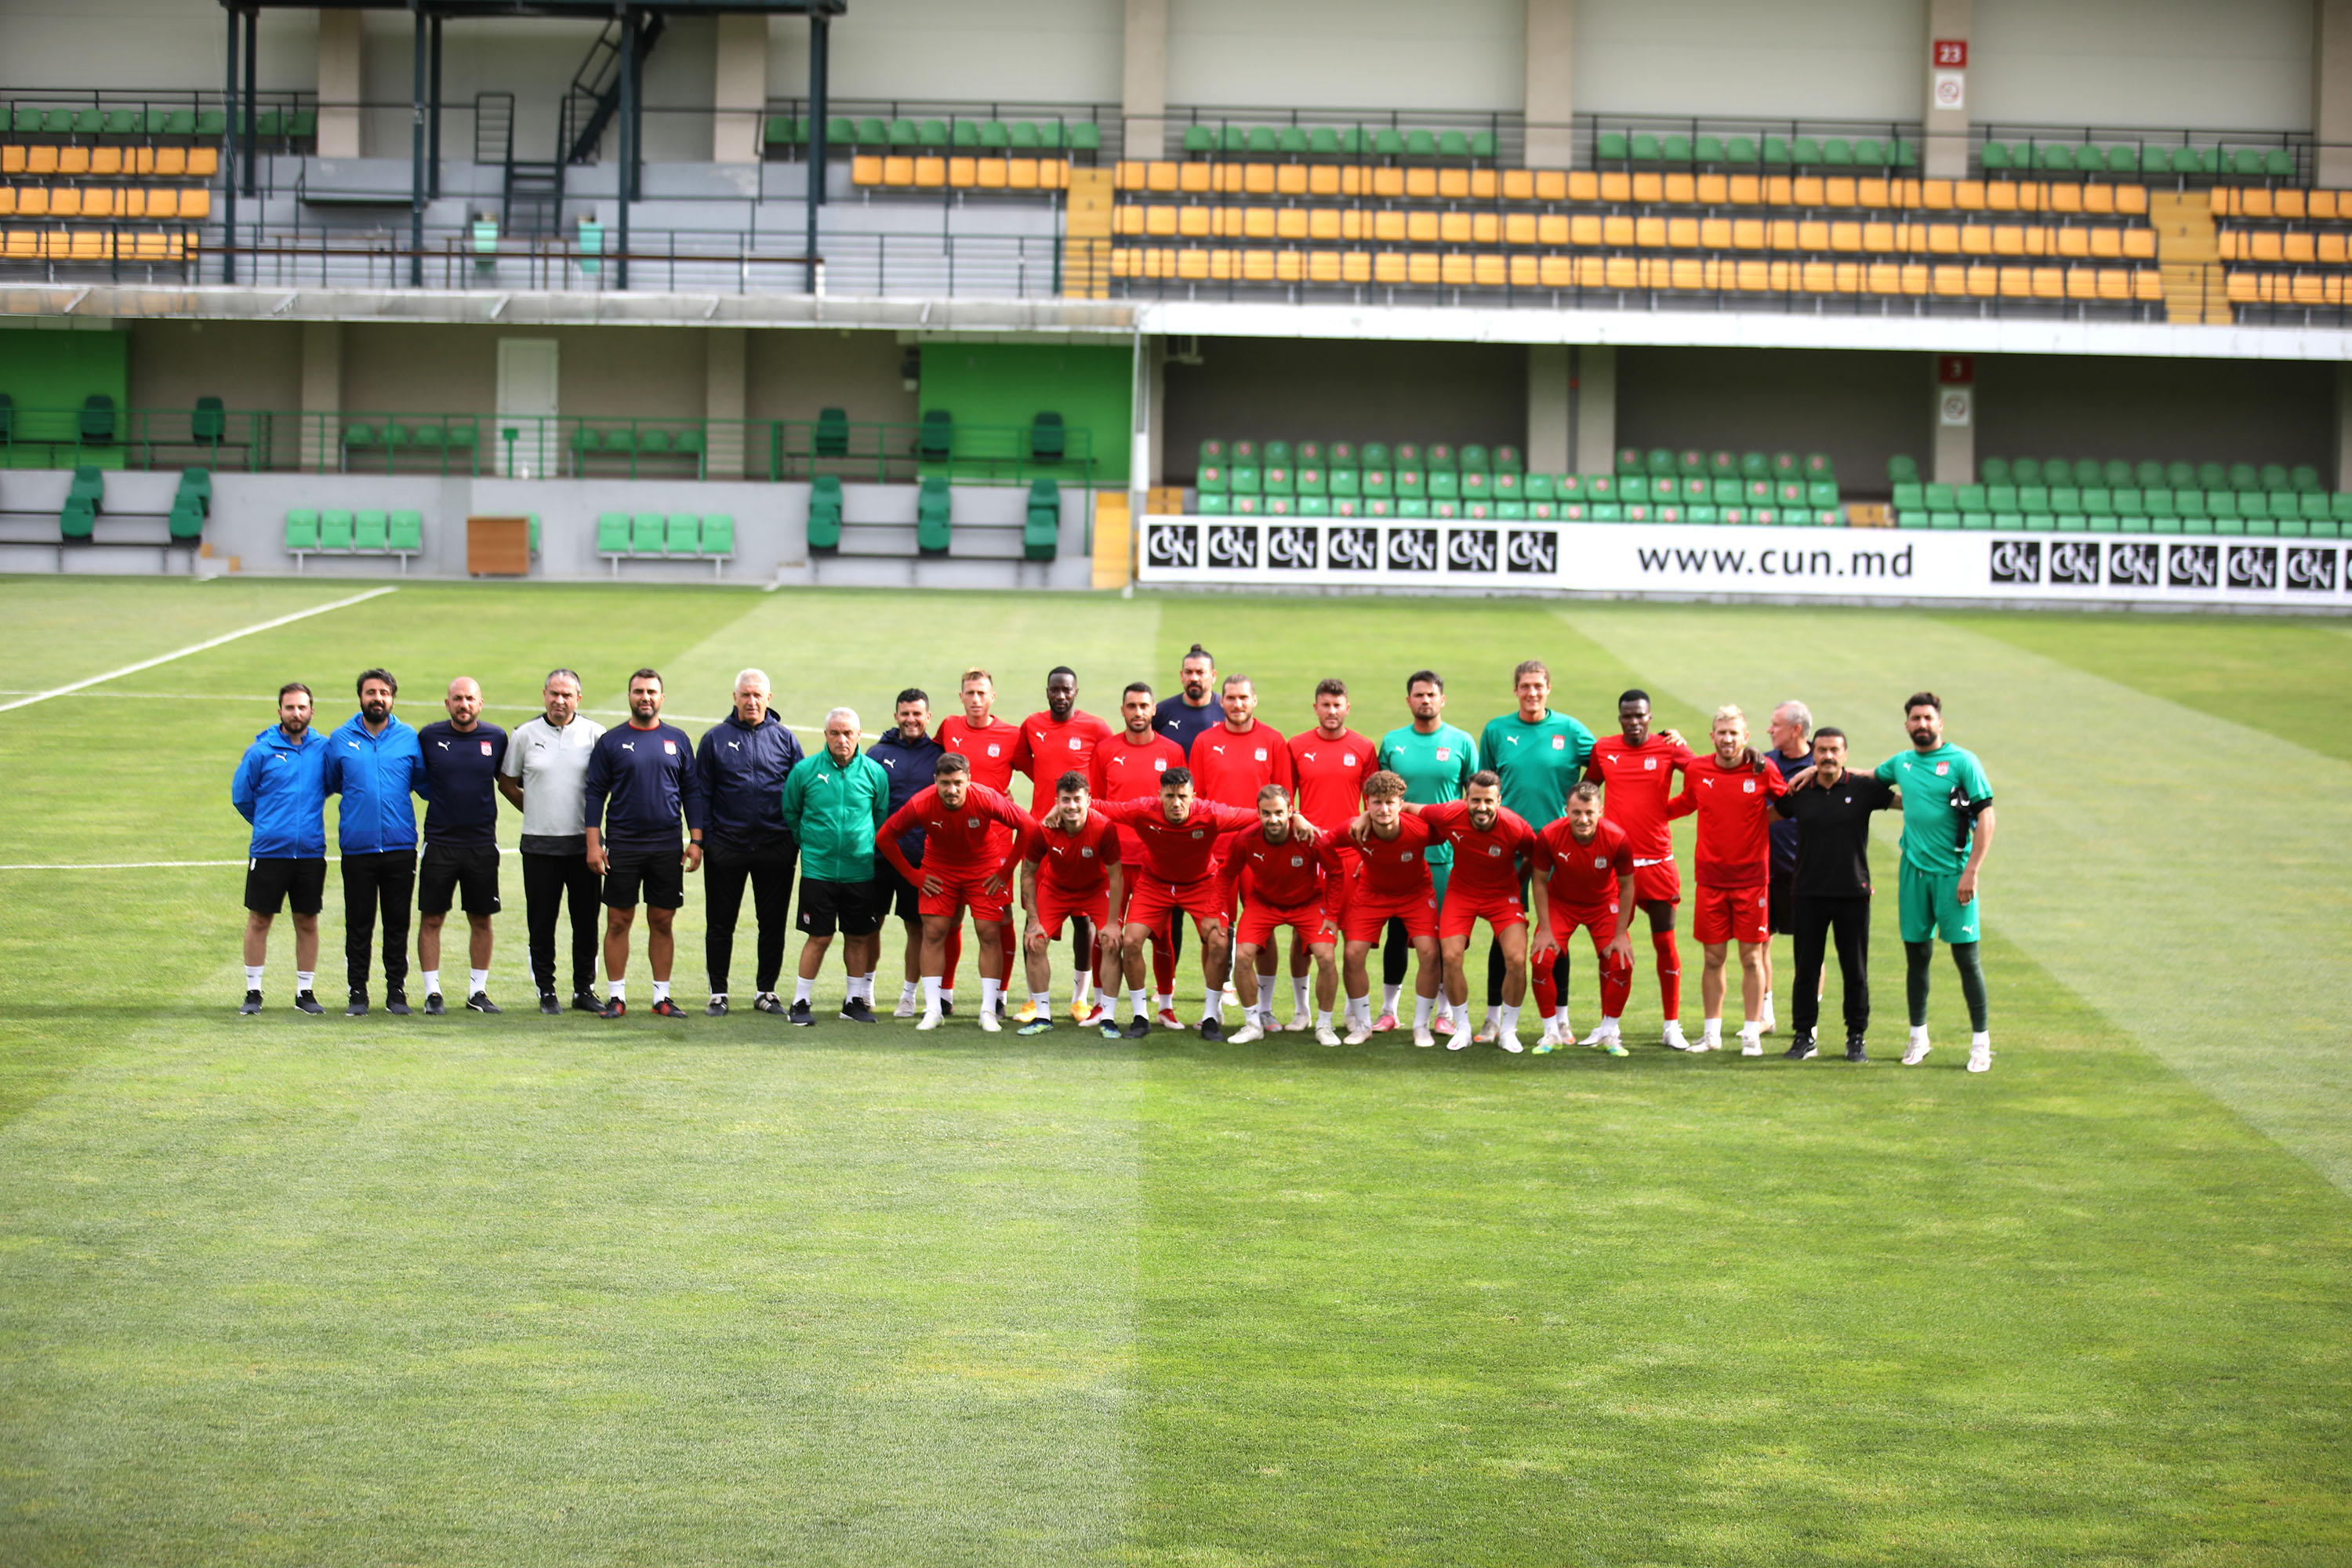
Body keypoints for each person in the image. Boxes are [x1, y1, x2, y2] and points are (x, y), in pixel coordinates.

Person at [1875, 693, 1996, 1073]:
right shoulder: (1903, 763)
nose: (1922, 724)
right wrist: (1818, 769)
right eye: (1915, 718)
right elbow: (1867, 781)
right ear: (1907, 724)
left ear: (1940, 723)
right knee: (1917, 957)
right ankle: (1918, 1037)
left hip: (1954, 875)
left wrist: (1972, 871)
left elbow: (1987, 817)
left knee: (1966, 959)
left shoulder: (1963, 762)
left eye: (1928, 718)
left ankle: (1981, 1044)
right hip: (1913, 873)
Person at [1475, 659, 1595, 1043]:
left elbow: (1607, 759)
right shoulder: (1496, 730)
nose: (1532, 693)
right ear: (1516, 690)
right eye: (1525, 686)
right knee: (1503, 933)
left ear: (1548, 689)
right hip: (1507, 847)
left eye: (1538, 686)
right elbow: (1483, 787)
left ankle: (1561, 1020)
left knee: (1555, 934)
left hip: (1558, 849)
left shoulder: (1571, 730)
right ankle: (1493, 1018)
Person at [1098, 769, 1263, 1041]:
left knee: (1220, 943)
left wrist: (1298, 817)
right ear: (1159, 795)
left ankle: (1211, 1017)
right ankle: (1141, 1017)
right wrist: (1061, 808)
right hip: (1154, 883)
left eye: (1182, 796)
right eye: (1170, 796)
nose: (1176, 803)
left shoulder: (1211, 813)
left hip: (1202, 884)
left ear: (1193, 797)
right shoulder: (1141, 810)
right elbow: (1101, 807)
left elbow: (1259, 815)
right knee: (1131, 942)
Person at [874, 753, 1034, 1032]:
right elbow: (884, 837)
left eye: (958, 782)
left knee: (989, 932)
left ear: (969, 780)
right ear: (935, 781)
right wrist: (913, 875)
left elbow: (1029, 826)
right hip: (940, 869)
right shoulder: (922, 803)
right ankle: (934, 1009)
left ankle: (988, 1011)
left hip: (983, 868)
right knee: (934, 932)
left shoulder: (986, 798)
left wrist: (1007, 871)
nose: (952, 790)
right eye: (946, 783)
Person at [1383, 771, 1541, 1053]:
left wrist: (1517, 884)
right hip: (1462, 893)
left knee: (1517, 959)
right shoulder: (1448, 813)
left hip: (1502, 896)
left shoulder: (1516, 827)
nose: (1482, 807)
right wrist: (1363, 818)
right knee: (1451, 956)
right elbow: (1404, 807)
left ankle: (1508, 1030)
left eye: (1488, 801)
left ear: (1499, 801)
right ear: (1465, 798)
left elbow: (1535, 854)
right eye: (1476, 800)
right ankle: (1463, 1027)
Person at [583, 668, 705, 1018]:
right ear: (630, 697)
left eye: (651, 692)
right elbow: (594, 794)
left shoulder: (677, 740)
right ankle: (616, 997)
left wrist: (696, 840)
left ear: (662, 698)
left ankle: (661, 997)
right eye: (639, 692)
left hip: (667, 846)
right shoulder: (612, 741)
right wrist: (594, 843)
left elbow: (692, 792)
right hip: (623, 845)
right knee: (619, 921)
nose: (645, 697)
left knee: (662, 921)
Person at [1770, 727, 1893, 1062]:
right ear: (1813, 754)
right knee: (1806, 969)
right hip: (1808, 892)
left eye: (1834, 750)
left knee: (1855, 969)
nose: (1827, 756)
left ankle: (1856, 1038)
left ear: (1845, 754)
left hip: (1853, 893)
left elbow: (1903, 799)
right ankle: (1804, 1036)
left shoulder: (1862, 788)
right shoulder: (1799, 791)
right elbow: (1769, 813)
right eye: (1821, 750)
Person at [1667, 706, 1785, 1054]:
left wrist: (1759, 822)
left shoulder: (1762, 769)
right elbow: (1686, 802)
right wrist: (1647, 813)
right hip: (1711, 879)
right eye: (1722, 733)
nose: (1728, 739)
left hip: (1752, 880)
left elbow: (1790, 804)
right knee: (1713, 958)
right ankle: (1712, 1034)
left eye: (1734, 733)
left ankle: (1751, 1033)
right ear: (1713, 736)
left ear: (1746, 737)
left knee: (1751, 958)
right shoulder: (1698, 768)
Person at [1584, 691, 1697, 1050]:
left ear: (1650, 717)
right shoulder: (1604, 749)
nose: (1634, 721)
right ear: (1620, 718)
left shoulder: (1669, 748)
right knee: (1610, 947)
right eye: (1627, 716)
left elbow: (1701, 779)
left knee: (1665, 943)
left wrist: (1666, 811)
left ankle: (1671, 1026)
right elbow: (1588, 789)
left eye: (1640, 716)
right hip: (1617, 868)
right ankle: (1608, 1026)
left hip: (1658, 865)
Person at [1185, 673, 1293, 1027]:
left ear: (1254, 700)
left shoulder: (1274, 741)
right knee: (1215, 931)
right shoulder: (1204, 741)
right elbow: (1195, 802)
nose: (1237, 704)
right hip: (1216, 854)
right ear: (1222, 701)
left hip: (1262, 853)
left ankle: (1264, 1008)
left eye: (1243, 698)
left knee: (1264, 928)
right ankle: (1212, 1009)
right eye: (1230, 698)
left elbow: (1285, 800)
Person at [497, 668, 607, 1014]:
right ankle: (546, 990)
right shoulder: (525, 735)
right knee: (541, 921)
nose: (560, 701)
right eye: (554, 694)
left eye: (567, 695)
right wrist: (537, 809)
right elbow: (507, 782)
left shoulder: (595, 735)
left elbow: (607, 787)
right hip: (539, 846)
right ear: (544, 695)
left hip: (584, 845)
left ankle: (584, 989)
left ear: (578, 698)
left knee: (586, 921)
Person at [695, 669, 804, 1017]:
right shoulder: (715, 739)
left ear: (769, 699)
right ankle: (718, 993)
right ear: (735, 698)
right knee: (720, 922)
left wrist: (792, 840)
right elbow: (702, 794)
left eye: (758, 695)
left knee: (771, 923)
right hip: (727, 847)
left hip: (775, 846)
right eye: (745, 695)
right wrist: (709, 841)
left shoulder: (786, 740)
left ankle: (766, 992)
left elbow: (801, 793)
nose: (752, 701)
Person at [1374, 671, 1475, 1035]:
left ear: (1442, 699)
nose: (1425, 700)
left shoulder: (1462, 742)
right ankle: (1389, 1011)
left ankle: (1444, 1013)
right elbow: (1378, 797)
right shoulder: (1393, 742)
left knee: (1445, 938)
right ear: (1409, 701)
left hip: (1446, 858)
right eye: (1418, 695)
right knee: (1398, 933)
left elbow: (1475, 800)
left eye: (1431, 694)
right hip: (1401, 855)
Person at [1011, 666, 1113, 1022]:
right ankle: (1032, 1000)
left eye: (1066, 690)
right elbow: (1026, 763)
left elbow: (1105, 770)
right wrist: (1049, 802)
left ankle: (1080, 998)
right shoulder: (1032, 725)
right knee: (1033, 916)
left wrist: (1075, 808)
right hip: (1042, 833)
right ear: (1047, 691)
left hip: (1081, 831)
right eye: (1054, 689)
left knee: (1083, 920)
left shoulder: (1097, 728)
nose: (1060, 695)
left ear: (1076, 691)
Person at [780, 706, 891, 1026]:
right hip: (819, 870)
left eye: (848, 733)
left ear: (859, 735)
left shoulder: (874, 773)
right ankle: (800, 1002)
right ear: (825, 735)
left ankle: (854, 1002)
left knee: (858, 936)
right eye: (835, 733)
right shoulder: (805, 771)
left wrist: (864, 847)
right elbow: (791, 813)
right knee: (820, 937)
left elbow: (880, 818)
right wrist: (812, 844)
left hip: (860, 871)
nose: (841, 739)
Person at [324, 667, 424, 1017]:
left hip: (399, 847)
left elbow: (422, 782)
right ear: (360, 697)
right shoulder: (340, 739)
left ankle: (396, 992)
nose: (377, 698)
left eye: (383, 693)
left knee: (397, 923)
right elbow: (335, 782)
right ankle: (357, 993)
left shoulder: (409, 738)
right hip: (358, 849)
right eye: (371, 693)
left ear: (393, 698)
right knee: (359, 923)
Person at [1216, 783, 1348, 1047]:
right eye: (1266, 813)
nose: (1273, 819)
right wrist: (1214, 912)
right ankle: (1253, 1023)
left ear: (1290, 811)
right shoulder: (1245, 839)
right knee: (1242, 956)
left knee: (1326, 957)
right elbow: (1226, 874)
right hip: (1263, 903)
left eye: (1279, 812)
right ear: (1258, 813)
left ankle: (1324, 1025)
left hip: (1308, 904)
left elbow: (1336, 872)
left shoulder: (1310, 836)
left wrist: (1332, 915)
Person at [230, 682, 332, 1015]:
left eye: (302, 708)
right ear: (280, 712)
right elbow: (242, 797)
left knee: (307, 921)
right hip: (270, 851)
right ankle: (254, 991)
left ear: (311, 712)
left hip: (310, 852)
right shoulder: (260, 751)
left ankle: (305, 992)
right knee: (260, 919)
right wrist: (268, 826)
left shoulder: (323, 749)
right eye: (290, 708)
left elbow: (331, 786)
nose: (296, 713)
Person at [1090, 680, 1187, 1024]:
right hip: (1114, 861)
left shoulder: (1172, 751)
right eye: (1132, 706)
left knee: (1161, 936)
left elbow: (1182, 807)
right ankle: (1102, 1004)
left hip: (1154, 863)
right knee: (1107, 933)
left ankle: (1165, 1005)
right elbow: (1096, 807)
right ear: (1122, 710)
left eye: (1144, 706)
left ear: (1154, 710)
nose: (1138, 713)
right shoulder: (1104, 750)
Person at [1281, 677, 1374, 1033]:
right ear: (1315, 707)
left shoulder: (1364, 748)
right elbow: (1286, 797)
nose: (1331, 711)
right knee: (1302, 935)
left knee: (1352, 935)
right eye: (1325, 705)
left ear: (1347, 708)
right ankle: (1303, 1010)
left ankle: (1352, 1010)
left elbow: (1372, 805)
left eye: (1338, 705)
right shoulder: (1297, 745)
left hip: (1350, 855)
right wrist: (1299, 815)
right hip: (1308, 853)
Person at [414, 677, 508, 1015]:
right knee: (432, 918)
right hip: (440, 843)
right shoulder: (429, 737)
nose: (463, 704)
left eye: (470, 699)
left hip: (482, 844)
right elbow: (416, 779)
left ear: (480, 703)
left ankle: (477, 992)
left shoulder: (496, 738)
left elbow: (508, 782)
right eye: (457, 699)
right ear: (447, 703)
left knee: (481, 919)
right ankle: (432, 992)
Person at [1529, 782, 1637, 1057]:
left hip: (1603, 904)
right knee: (1541, 959)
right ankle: (1551, 1033)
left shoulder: (1617, 838)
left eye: (1589, 812)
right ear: (1566, 811)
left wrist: (1621, 933)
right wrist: (1544, 929)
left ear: (1600, 810)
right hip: (1561, 903)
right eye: (1576, 812)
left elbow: (1627, 886)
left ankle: (1610, 1032)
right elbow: (1539, 881)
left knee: (1621, 962)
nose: (1583, 819)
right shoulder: (1550, 836)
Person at [936, 667, 1021, 1015]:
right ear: (961, 697)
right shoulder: (948, 727)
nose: (975, 700)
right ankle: (944, 992)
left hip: (996, 846)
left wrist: (1010, 801)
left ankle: (999, 995)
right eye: (970, 693)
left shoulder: (1011, 735)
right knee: (952, 919)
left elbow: (1039, 770)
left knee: (1000, 920)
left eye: (982, 693)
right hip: (953, 845)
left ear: (992, 697)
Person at [1338, 771, 1446, 1047]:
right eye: (1376, 803)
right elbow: (1324, 843)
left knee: (1430, 952)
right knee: (1352, 953)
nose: (1384, 809)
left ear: (1401, 803)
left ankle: (1421, 1027)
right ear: (1367, 803)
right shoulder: (1354, 829)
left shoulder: (1422, 829)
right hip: (1372, 893)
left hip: (1416, 893)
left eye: (1390, 802)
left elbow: (1453, 829)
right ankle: (1362, 1026)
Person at [1016, 771, 1125, 1036]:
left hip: (1096, 890)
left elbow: (1116, 876)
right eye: (1066, 800)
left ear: (1088, 799)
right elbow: (1028, 872)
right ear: (1057, 801)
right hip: (1056, 889)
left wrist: (1112, 923)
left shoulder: (1104, 828)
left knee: (1112, 942)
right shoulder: (1044, 829)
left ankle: (1108, 1016)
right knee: (1035, 941)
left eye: (1078, 799)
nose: (1072, 806)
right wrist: (1032, 921)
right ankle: (1042, 1015)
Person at [866, 688, 944, 1018]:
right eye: (905, 714)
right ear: (896, 716)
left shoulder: (939, 755)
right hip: (880, 857)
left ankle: (909, 996)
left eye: (917, 714)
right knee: (871, 925)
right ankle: (864, 991)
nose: (911, 720)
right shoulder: (876, 753)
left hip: (920, 858)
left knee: (917, 927)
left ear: (929, 717)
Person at [1759, 698, 1817, 1033]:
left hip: (1804, 871)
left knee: (1809, 947)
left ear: (1796, 729)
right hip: (1765, 869)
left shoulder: (1818, 765)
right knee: (1760, 941)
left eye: (1776, 725)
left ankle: (1811, 1020)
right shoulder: (1765, 762)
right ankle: (1765, 1014)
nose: (1770, 730)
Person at [1152, 643, 1224, 755]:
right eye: (1188, 672)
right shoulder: (1161, 712)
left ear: (1213, 676)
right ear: (1182, 675)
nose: (1194, 678)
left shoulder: (1226, 711)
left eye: (1200, 672)